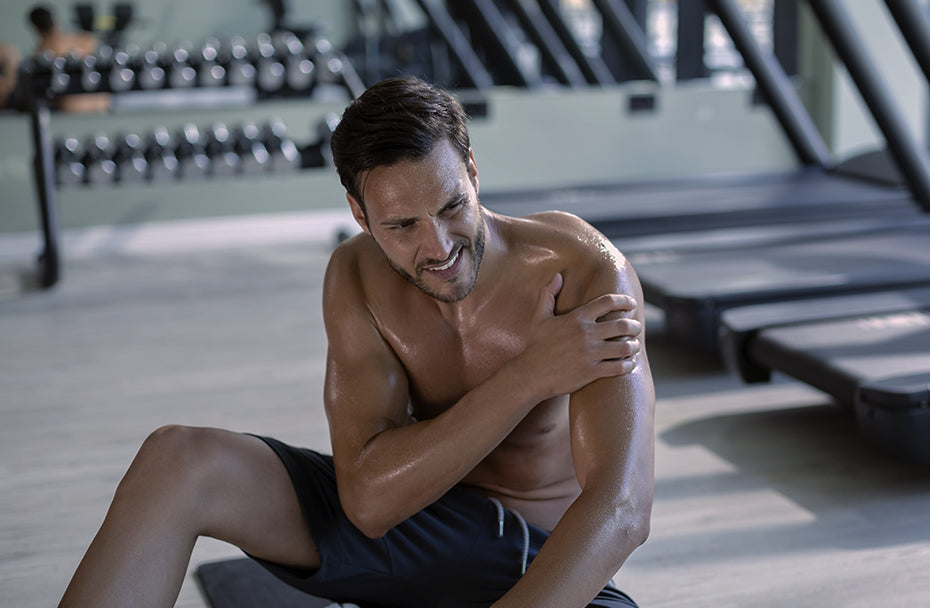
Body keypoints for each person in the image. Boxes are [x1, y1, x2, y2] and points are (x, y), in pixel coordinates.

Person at [59, 75, 655, 608]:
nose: (440, 246)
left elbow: (622, 509)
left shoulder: (583, 270)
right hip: (407, 528)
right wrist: (529, 377)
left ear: (472, 172)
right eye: (402, 226)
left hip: (532, 559)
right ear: (360, 214)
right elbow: (369, 503)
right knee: (177, 460)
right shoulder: (354, 276)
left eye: (452, 206)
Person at [27, 4, 109, 113]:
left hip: (73, 109)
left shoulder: (44, 49)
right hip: (101, 106)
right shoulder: (88, 39)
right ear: (56, 21)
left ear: (36, 29)